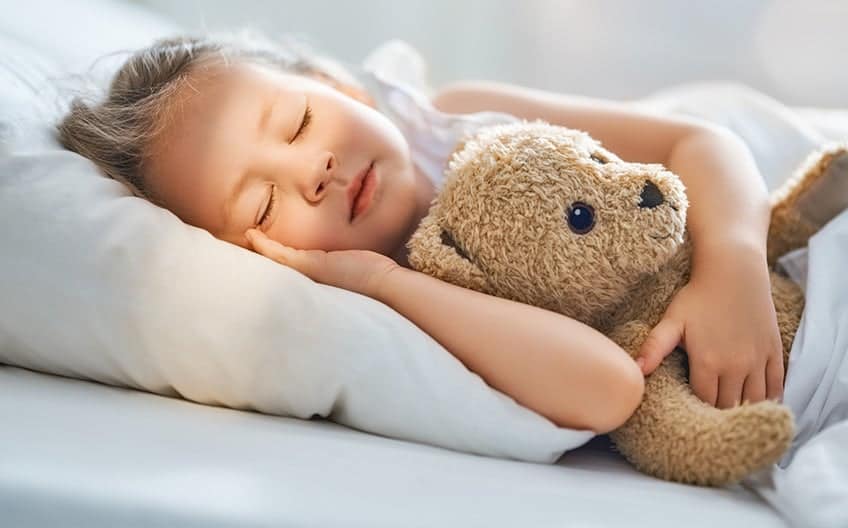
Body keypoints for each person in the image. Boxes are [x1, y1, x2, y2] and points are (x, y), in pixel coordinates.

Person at [57, 32, 784, 435]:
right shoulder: (401, 304)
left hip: (775, 258)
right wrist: (381, 282)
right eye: (264, 205)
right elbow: (607, 389)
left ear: (339, 88)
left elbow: (701, 144)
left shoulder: (462, 116)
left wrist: (732, 270)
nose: (315, 169)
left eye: (300, 123)